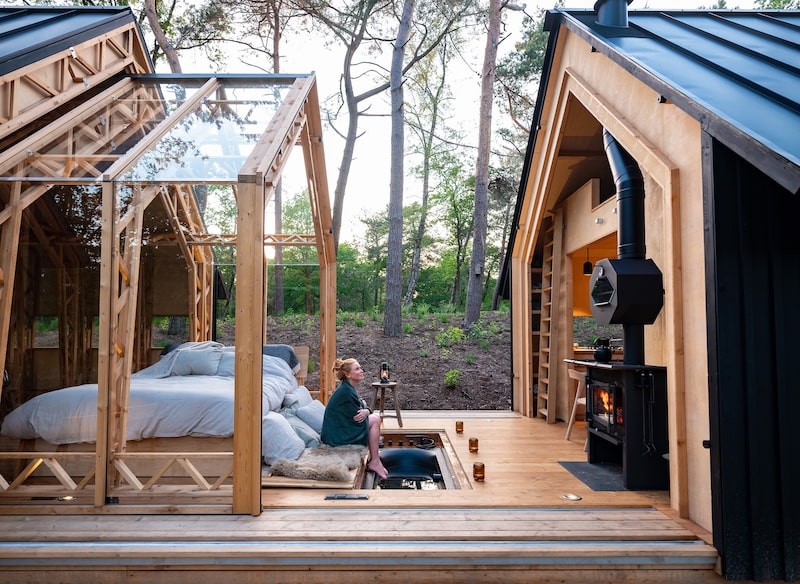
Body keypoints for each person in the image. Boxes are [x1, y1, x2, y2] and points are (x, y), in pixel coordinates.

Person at [321, 358, 388, 480]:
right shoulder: (346, 392)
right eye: (357, 369)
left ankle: (375, 458)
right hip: (336, 438)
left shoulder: (347, 388)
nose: (362, 371)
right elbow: (358, 417)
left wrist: (367, 410)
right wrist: (367, 411)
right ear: (348, 374)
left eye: (360, 368)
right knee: (376, 420)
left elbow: (361, 404)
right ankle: (375, 461)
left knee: (373, 417)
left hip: (339, 431)